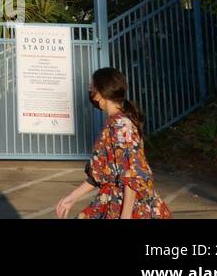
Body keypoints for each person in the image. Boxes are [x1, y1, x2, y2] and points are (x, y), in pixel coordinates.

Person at [56, 67, 172, 219]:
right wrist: (72, 197)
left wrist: (125, 215)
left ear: (101, 92)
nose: (91, 92)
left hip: (127, 205)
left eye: (92, 87)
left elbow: (132, 173)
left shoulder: (121, 125)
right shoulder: (115, 122)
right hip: (113, 200)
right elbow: (103, 173)